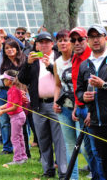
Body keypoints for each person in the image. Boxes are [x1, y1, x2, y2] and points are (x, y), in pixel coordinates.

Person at [18, 32, 67, 179]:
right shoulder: (32, 59)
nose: (44, 45)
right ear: (37, 45)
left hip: (56, 103)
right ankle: (48, 170)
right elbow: (21, 78)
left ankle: (63, 171)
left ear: (52, 44)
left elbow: (64, 76)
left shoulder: (58, 57)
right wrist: (28, 64)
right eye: (41, 42)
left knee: (60, 140)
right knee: (43, 139)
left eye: (47, 42)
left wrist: (49, 66)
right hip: (38, 105)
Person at [69, 27, 101, 179]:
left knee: (96, 150)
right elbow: (79, 88)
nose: (77, 43)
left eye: (80, 39)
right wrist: (77, 104)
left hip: (93, 113)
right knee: (87, 149)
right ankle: (95, 175)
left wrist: (90, 111)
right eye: (73, 40)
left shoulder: (92, 59)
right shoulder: (77, 59)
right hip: (81, 108)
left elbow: (96, 90)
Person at [76, 24, 107, 179]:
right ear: (88, 40)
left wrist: (104, 85)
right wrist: (83, 97)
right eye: (92, 37)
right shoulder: (85, 64)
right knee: (101, 159)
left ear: (105, 38)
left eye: (98, 36)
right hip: (95, 121)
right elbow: (79, 90)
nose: (96, 40)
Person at [53, 29, 81, 179]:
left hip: (79, 108)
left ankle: (95, 173)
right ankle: (73, 177)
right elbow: (58, 85)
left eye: (66, 40)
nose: (63, 43)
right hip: (64, 108)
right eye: (60, 40)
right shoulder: (57, 62)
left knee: (82, 146)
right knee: (70, 146)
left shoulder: (78, 59)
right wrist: (55, 102)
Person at [0, 70, 27, 165]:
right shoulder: (11, 90)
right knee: (19, 137)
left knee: (15, 138)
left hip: (17, 117)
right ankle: (23, 156)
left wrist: (2, 111)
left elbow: (14, 107)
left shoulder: (15, 90)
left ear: (10, 80)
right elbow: (9, 104)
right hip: (17, 116)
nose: (3, 81)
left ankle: (18, 159)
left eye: (4, 79)